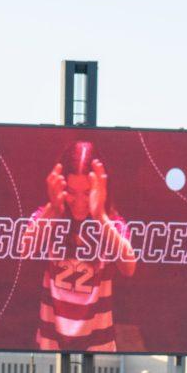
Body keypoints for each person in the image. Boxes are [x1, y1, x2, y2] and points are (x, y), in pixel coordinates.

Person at [30, 141, 138, 351]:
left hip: (99, 350)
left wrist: (100, 216)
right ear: (60, 186)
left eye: (88, 193)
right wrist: (53, 208)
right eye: (71, 191)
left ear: (101, 189)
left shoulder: (112, 224)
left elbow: (129, 268)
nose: (79, 202)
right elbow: (24, 250)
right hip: (50, 348)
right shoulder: (48, 216)